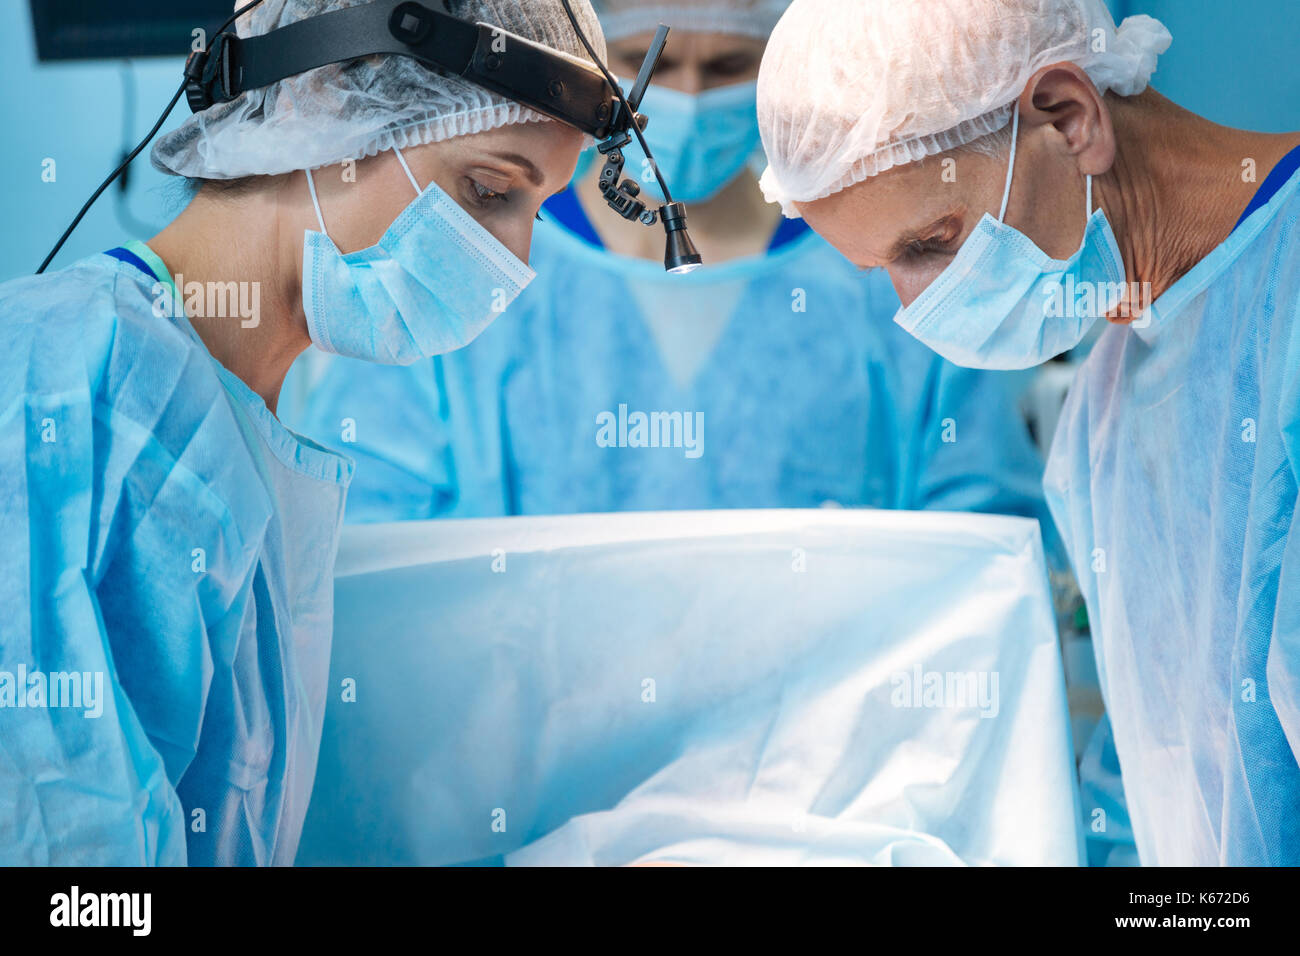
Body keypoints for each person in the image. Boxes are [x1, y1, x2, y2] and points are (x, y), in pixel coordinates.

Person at [0, 0, 608, 865]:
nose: (518, 258)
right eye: (491, 190)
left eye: (536, 212)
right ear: (319, 103)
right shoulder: (58, 384)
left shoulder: (247, 431)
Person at [756, 0, 1300, 865]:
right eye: (882, 273)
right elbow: (1159, 787)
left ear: (1069, 117)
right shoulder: (1105, 409)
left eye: (931, 243)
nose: (917, 308)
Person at [287, 0, 1053, 529]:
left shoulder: (886, 259)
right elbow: (376, 538)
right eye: (642, 62)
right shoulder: (466, 266)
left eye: (726, 64)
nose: (683, 99)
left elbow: (977, 538)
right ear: (582, 60)